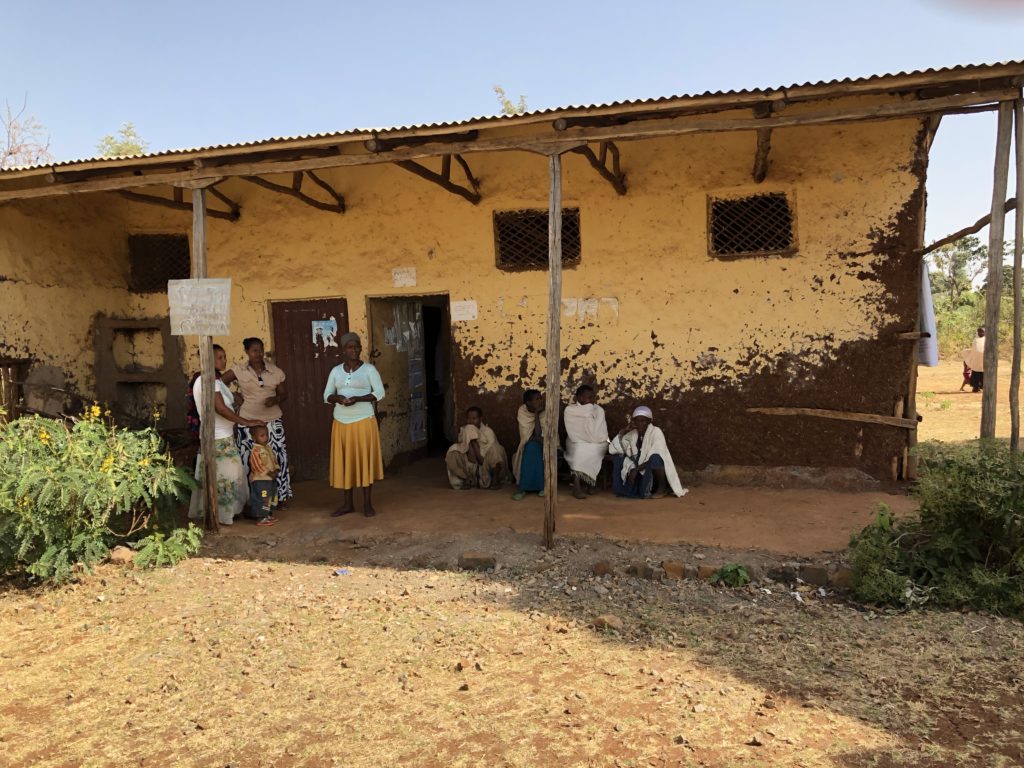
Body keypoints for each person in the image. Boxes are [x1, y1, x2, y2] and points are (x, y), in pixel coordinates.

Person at [188, 345, 265, 526]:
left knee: (224, 476)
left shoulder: (212, 379)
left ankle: (224, 512)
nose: (224, 361)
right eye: (220, 357)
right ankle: (224, 514)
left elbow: (224, 404)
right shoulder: (209, 380)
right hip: (217, 437)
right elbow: (220, 408)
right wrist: (246, 421)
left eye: (224, 356)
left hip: (222, 434)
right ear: (210, 359)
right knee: (226, 477)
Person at [221, 337, 293, 508]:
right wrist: (234, 397)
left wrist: (276, 399)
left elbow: (284, 394)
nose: (258, 354)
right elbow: (219, 384)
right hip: (248, 422)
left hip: (272, 422)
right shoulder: (238, 370)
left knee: (277, 459)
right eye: (254, 351)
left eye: (260, 350)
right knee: (249, 460)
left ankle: (279, 497)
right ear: (247, 352)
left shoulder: (275, 371)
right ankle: (251, 499)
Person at [323, 332, 385, 517]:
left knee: (364, 460)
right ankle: (347, 504)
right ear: (344, 350)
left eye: (357, 346)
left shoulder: (369, 370)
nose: (355, 350)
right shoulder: (335, 371)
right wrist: (338, 398)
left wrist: (358, 398)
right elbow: (326, 395)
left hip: (363, 421)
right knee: (345, 462)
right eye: (350, 347)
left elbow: (380, 393)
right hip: (341, 422)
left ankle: (367, 503)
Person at [608, 405, 687, 499]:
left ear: (649, 421)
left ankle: (662, 488)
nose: (640, 423)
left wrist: (636, 470)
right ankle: (624, 489)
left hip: (650, 471)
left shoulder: (656, 432)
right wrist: (623, 431)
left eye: (643, 421)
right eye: (637, 421)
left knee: (655, 458)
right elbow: (614, 448)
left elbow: (657, 453)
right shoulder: (632, 434)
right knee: (618, 457)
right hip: (639, 470)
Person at [446, 406, 508, 490]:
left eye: (474, 418)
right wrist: (469, 438)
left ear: (480, 419)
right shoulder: (464, 431)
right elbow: (471, 458)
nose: (471, 422)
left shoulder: (488, 432)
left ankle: (495, 480)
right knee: (452, 451)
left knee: (496, 449)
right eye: (468, 418)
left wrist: (473, 440)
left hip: (486, 465)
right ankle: (466, 479)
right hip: (470, 467)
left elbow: (481, 460)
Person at [564, 384, 609, 499]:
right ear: (579, 398)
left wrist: (593, 438)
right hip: (576, 440)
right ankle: (577, 486)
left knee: (591, 449)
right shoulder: (570, 410)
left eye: (593, 397)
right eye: (589, 397)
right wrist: (588, 437)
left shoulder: (599, 410)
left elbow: (600, 431)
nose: (592, 400)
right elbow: (573, 432)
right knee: (580, 450)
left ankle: (590, 483)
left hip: (598, 441)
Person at [512, 389, 545, 501]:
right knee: (531, 448)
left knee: (535, 448)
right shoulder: (522, 411)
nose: (540, 400)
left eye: (540, 398)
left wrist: (539, 439)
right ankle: (524, 488)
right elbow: (527, 436)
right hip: (529, 443)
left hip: (546, 443)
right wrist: (536, 414)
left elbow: (541, 435)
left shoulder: (546, 411)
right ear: (528, 403)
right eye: (537, 399)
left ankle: (541, 487)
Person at [247, 424, 279, 526]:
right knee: (263, 498)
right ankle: (261, 518)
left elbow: (274, 460)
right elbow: (257, 465)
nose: (266, 437)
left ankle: (267, 514)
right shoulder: (255, 451)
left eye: (267, 435)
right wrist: (270, 473)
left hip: (270, 479)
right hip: (261, 480)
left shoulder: (268, 448)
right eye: (262, 435)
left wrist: (276, 470)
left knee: (271, 497)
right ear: (254, 438)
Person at [961, 327, 986, 392]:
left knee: (981, 373)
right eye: (980, 332)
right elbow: (975, 350)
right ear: (978, 332)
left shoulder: (986, 340)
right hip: (977, 361)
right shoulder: (975, 341)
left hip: (983, 360)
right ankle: (975, 387)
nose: (982, 333)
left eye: (983, 332)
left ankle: (980, 387)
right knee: (977, 373)